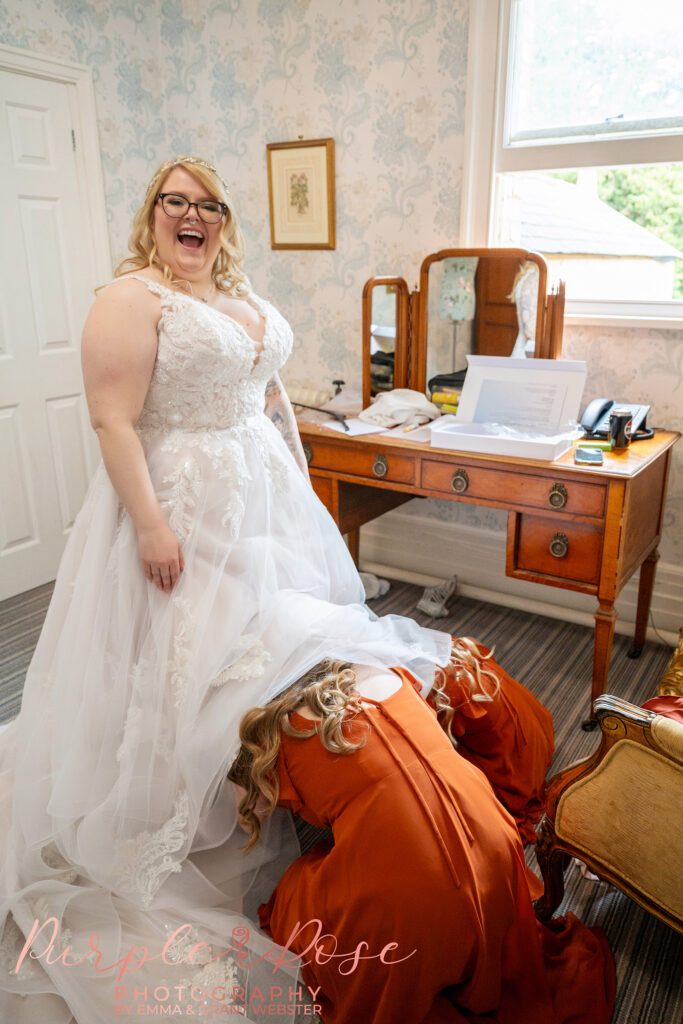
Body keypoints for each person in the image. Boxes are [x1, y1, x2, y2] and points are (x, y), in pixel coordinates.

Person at [0, 155, 457, 1022]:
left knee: (253, 657)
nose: (193, 216)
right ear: (153, 214)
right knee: (179, 655)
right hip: (182, 502)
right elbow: (112, 417)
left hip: (264, 503)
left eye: (208, 205)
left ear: (222, 220)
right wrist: (151, 524)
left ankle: (249, 774)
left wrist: (299, 467)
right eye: (176, 202)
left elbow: (269, 390)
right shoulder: (131, 298)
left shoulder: (237, 293)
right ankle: (163, 791)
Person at [232, 657, 615, 1024]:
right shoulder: (395, 678)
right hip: (496, 847)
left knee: (294, 889)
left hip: (411, 900)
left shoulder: (281, 733)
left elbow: (246, 819)